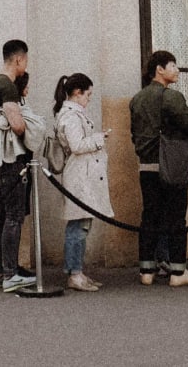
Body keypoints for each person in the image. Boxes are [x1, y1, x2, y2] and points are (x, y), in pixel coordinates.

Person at [130, 50, 188, 287]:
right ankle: (178, 272)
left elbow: (135, 134)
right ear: (159, 69)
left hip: (146, 166)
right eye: (172, 65)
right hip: (171, 166)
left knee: (149, 216)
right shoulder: (172, 97)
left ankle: (147, 271)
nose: (177, 70)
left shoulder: (137, 99)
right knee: (175, 217)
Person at [0, 39, 36, 293]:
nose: (25, 65)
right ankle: (11, 274)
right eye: (25, 60)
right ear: (18, 60)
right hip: (10, 160)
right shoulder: (8, 87)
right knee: (13, 217)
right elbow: (17, 125)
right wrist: (30, 127)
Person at [54, 73, 112, 292]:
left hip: (83, 175)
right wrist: (99, 139)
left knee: (81, 225)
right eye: (88, 95)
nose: (89, 99)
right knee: (77, 226)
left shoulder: (72, 114)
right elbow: (77, 145)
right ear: (77, 93)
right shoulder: (70, 116)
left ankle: (77, 271)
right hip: (79, 176)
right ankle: (74, 273)